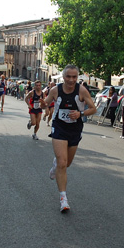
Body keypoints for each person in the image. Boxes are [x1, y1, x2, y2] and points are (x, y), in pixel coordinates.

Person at [42, 65, 96, 212]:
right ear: (63, 77)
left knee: (67, 164)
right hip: (59, 127)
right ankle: (63, 199)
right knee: (62, 162)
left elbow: (93, 108)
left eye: (74, 77)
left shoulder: (81, 90)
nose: (71, 80)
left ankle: (56, 166)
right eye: (68, 77)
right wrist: (42, 104)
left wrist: (81, 114)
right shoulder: (55, 90)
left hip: (75, 129)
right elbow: (45, 103)